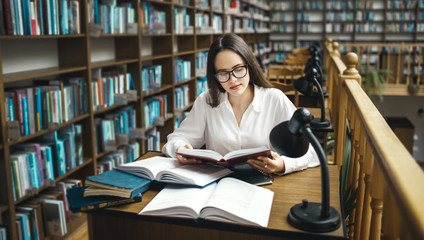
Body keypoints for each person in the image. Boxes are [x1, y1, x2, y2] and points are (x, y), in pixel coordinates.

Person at [162, 33, 319, 175]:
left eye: (238, 69)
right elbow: (178, 137)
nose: (233, 80)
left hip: (266, 186)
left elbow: (311, 151)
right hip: (218, 184)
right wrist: (180, 148)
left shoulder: (274, 99)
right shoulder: (207, 100)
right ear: (215, 76)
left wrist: (283, 164)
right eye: (223, 73)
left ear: (249, 66)